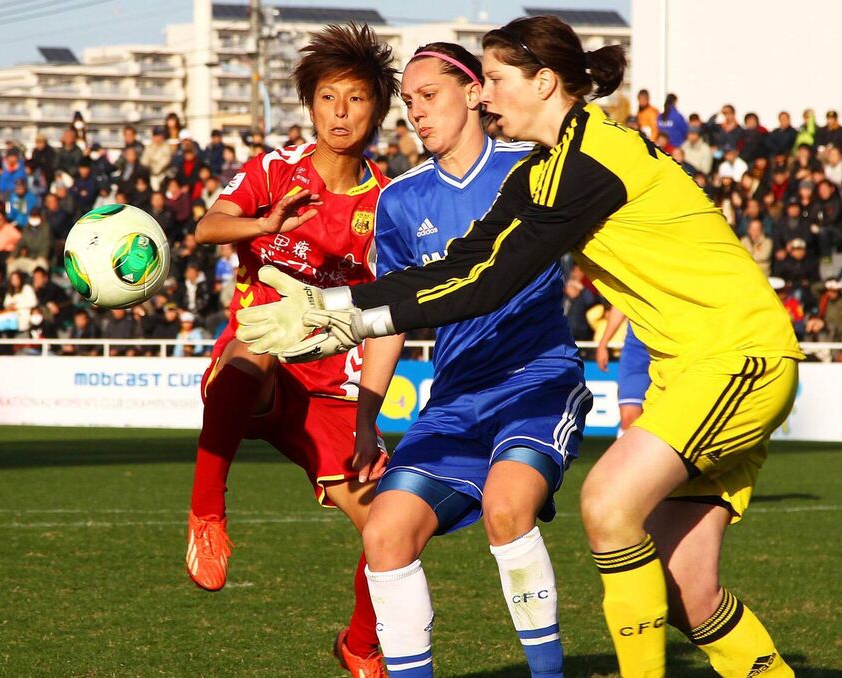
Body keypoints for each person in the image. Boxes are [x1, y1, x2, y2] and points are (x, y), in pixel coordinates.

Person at [237, 15, 801, 678]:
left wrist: (351, 317)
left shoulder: (589, 160)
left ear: (544, 82)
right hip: (692, 372)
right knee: (688, 592)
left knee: (608, 504)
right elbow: (465, 262)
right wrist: (332, 306)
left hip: (735, 355)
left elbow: (487, 283)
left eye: (498, 79)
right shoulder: (546, 170)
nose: (487, 94)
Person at [341, 43, 589, 678]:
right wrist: (368, 418)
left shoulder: (537, 167)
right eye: (408, 103)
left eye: (429, 96)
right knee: (384, 534)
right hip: (454, 398)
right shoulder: (399, 202)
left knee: (507, 510)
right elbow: (389, 317)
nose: (416, 113)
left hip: (536, 379)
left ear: (476, 92)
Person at [184, 23, 398, 678]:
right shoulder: (278, 170)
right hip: (252, 371)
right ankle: (206, 513)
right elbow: (205, 228)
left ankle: (361, 645)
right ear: (310, 104)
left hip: (331, 392)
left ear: (378, 110)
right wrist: (265, 224)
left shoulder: (390, 202)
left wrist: (366, 421)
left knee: (394, 527)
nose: (340, 111)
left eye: (356, 98)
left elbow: (390, 320)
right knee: (261, 339)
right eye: (329, 96)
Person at [597, 307, 650, 433]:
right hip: (637, 351)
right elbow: (620, 304)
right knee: (628, 419)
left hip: (676, 349)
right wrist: (603, 343)